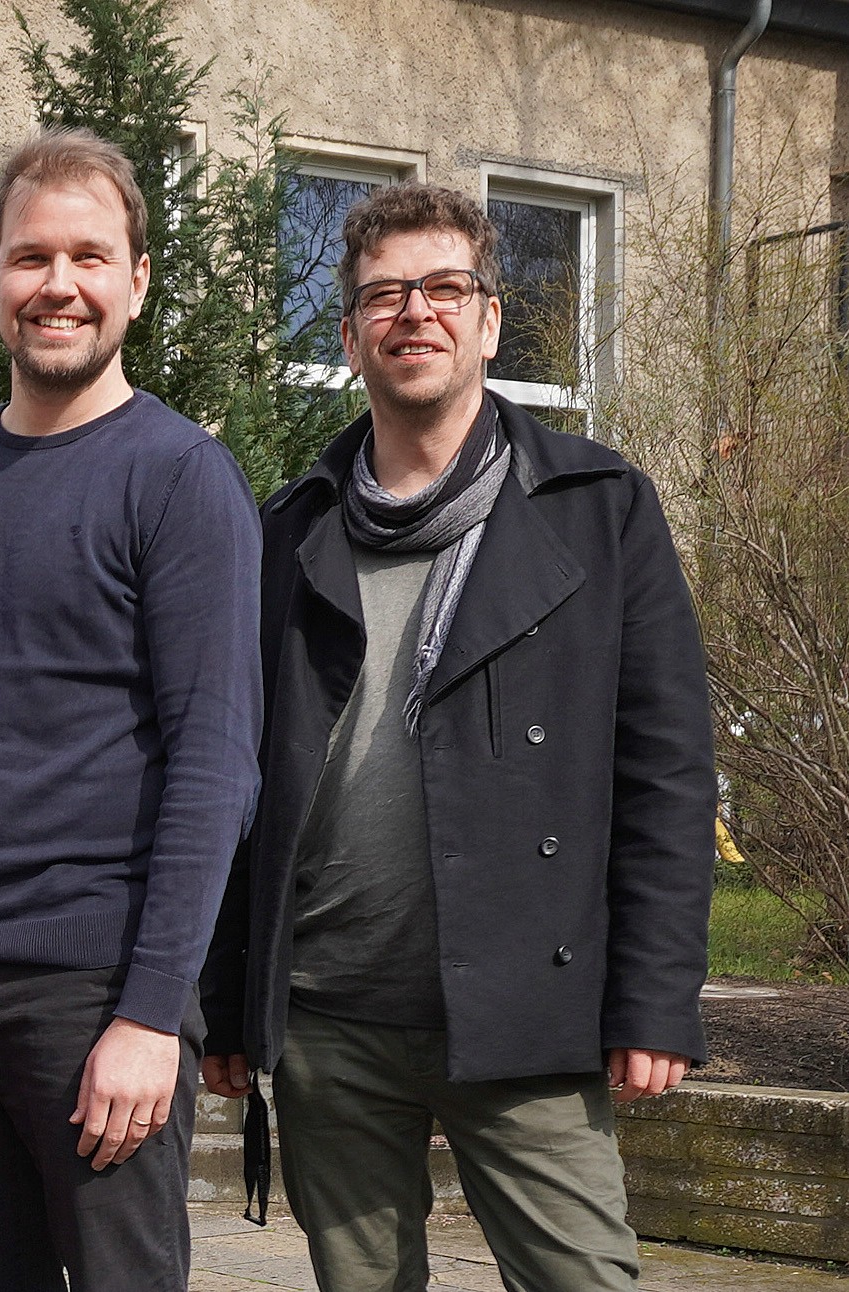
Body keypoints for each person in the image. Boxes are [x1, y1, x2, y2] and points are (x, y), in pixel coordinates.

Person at [199, 182, 716, 1291]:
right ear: (348, 336)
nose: (414, 313)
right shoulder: (289, 526)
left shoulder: (598, 503)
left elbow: (668, 766)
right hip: (331, 1014)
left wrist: (657, 997)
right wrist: (229, 994)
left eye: (445, 287)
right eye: (384, 294)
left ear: (488, 318)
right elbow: (242, 778)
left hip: (524, 1003)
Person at [0, 128, 263, 1291]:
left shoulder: (180, 477)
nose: (59, 284)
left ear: (135, 282)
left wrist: (150, 1012)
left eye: (90, 256)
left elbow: (213, 760)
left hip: (96, 990)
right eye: (31, 256)